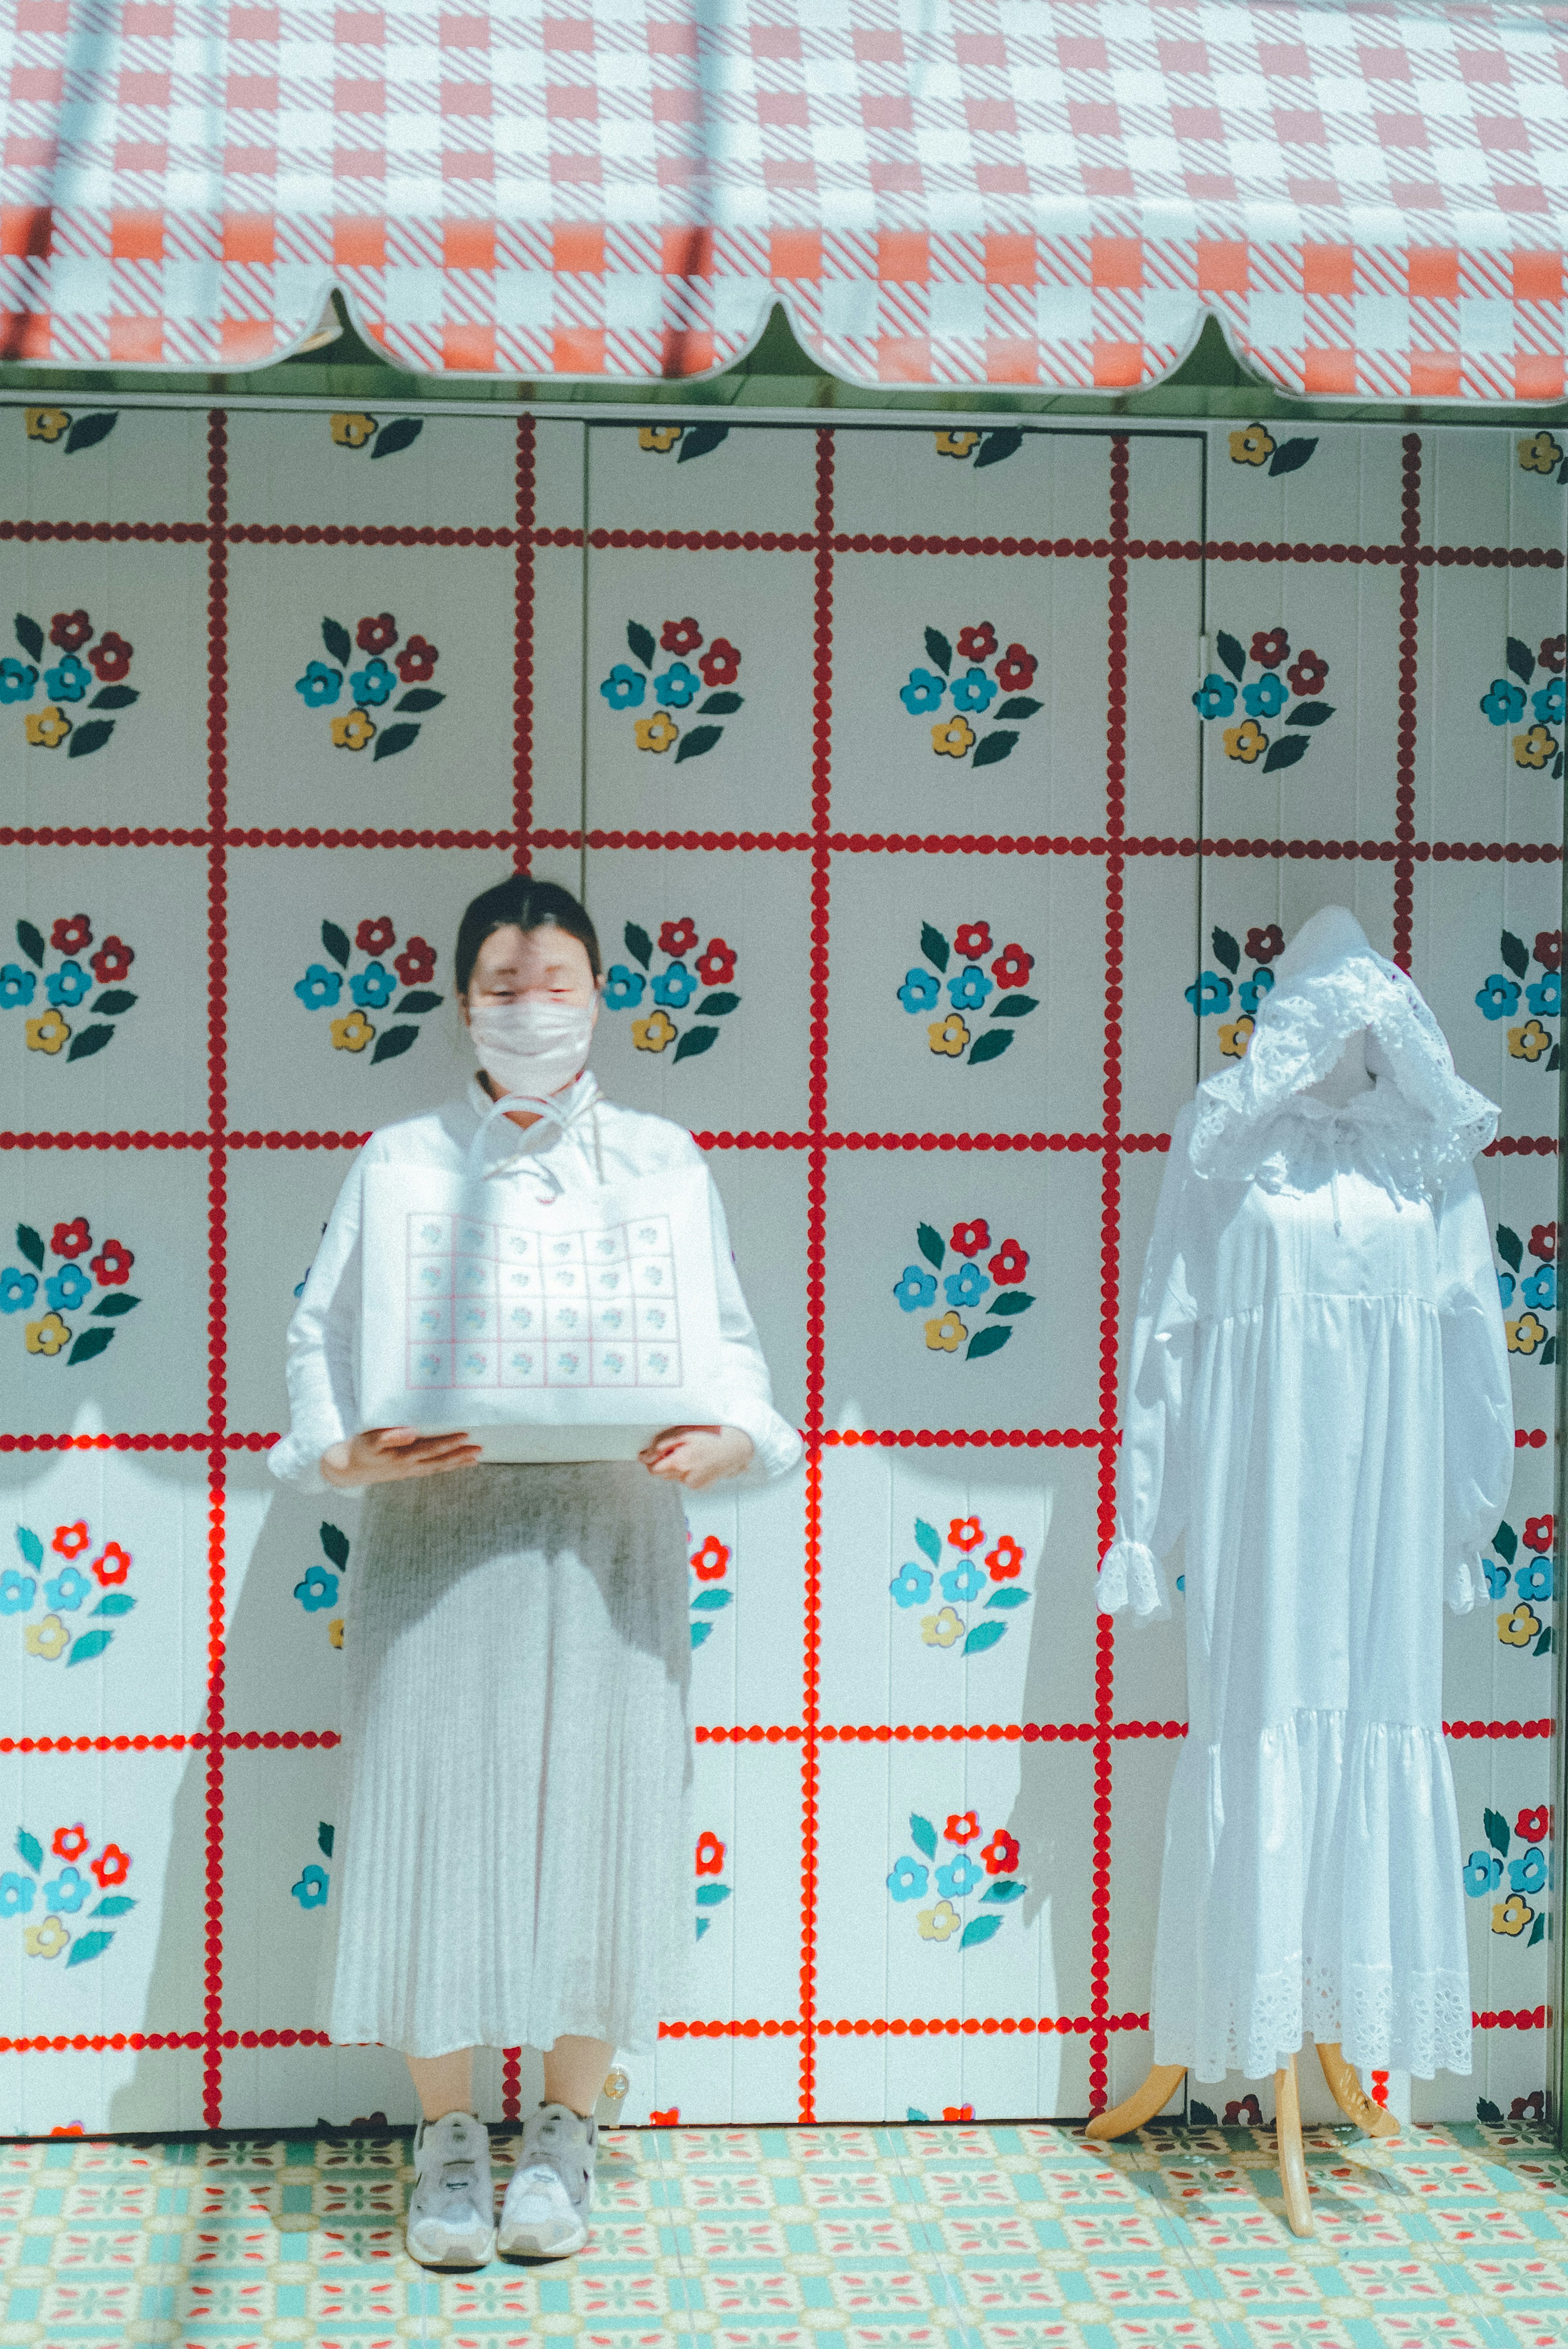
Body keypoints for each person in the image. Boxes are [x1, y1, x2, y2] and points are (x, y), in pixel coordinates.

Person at [269, 873, 801, 2269]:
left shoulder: (665, 1162)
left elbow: (736, 1347)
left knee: (605, 1814)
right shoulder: (398, 1162)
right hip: (435, 1536)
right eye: (503, 985)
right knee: (434, 1811)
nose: (529, 1007)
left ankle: (567, 2133)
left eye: (555, 980)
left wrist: (733, 1434)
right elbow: (319, 1340)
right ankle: (446, 2142)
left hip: (612, 1538)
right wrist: (342, 1458)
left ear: (600, 999)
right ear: (462, 1006)